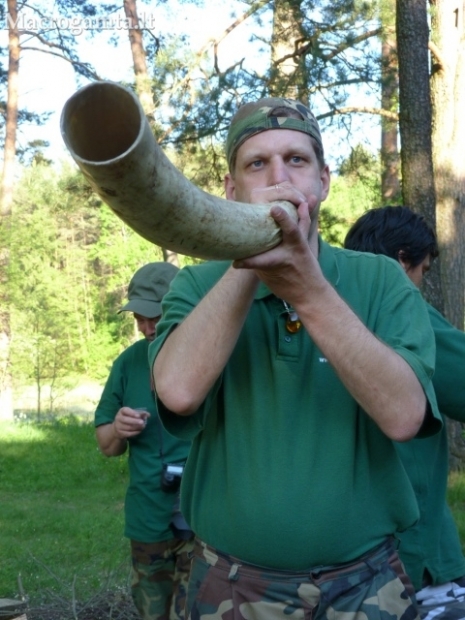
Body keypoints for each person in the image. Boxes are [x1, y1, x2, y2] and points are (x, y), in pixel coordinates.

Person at [149, 98, 442, 620]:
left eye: (296, 160)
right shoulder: (197, 283)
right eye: (256, 164)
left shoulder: (380, 279)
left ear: (324, 180)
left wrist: (308, 290)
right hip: (231, 586)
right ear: (231, 187)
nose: (278, 177)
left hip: (365, 584)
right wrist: (250, 256)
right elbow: (177, 390)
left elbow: (404, 415)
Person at [344, 205, 465, 620]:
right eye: (423, 269)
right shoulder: (401, 307)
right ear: (400, 260)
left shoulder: (321, 307)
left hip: (339, 547)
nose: (420, 282)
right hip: (409, 547)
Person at [94, 262, 194, 620]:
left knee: (197, 611)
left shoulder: (208, 356)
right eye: (139, 316)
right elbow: (106, 446)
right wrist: (119, 429)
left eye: (155, 315)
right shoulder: (127, 364)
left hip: (202, 516)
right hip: (148, 518)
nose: (147, 326)